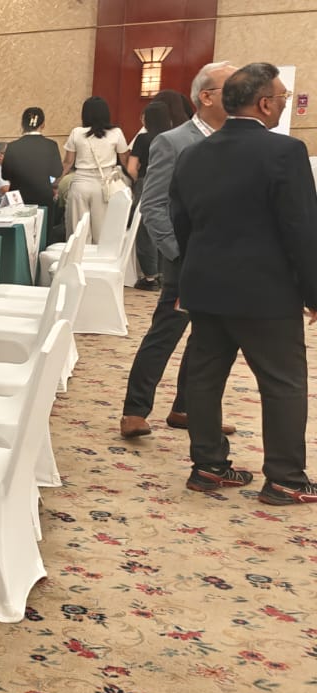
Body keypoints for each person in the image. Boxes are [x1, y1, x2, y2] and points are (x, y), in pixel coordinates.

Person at [172, 62, 317, 505]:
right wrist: (313, 292)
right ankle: (286, 479)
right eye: (283, 97)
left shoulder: (192, 154)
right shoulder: (286, 152)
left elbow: (182, 223)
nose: (285, 104)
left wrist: (190, 277)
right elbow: (302, 229)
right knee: (283, 382)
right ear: (265, 103)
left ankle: (208, 466)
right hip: (265, 293)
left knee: (204, 379)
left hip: (205, 287)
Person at [119, 62, 237, 441]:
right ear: (207, 96)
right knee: (167, 331)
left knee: (211, 339)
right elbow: (153, 206)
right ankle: (135, 410)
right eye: (232, 88)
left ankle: (187, 408)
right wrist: (177, 253)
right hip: (185, 259)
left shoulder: (238, 139)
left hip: (225, 258)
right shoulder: (173, 141)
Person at [126, 96, 188, 291]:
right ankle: (163, 272)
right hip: (172, 186)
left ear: (147, 118)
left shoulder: (143, 138)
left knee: (145, 231)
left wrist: (138, 181)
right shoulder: (174, 138)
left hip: (147, 183)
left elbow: (132, 167)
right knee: (167, 226)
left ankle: (150, 276)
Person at [60, 96, 130, 245]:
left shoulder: (76, 133)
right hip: (105, 186)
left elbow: (67, 162)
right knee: (102, 233)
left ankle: (78, 259)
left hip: (80, 185)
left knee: (78, 234)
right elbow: (125, 160)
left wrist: (56, 181)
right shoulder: (116, 133)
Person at [0, 107, 62, 209]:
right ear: (43, 124)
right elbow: (57, 172)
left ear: (22, 124)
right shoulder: (51, 145)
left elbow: (5, 175)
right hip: (43, 196)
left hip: (17, 198)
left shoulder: (12, 146)